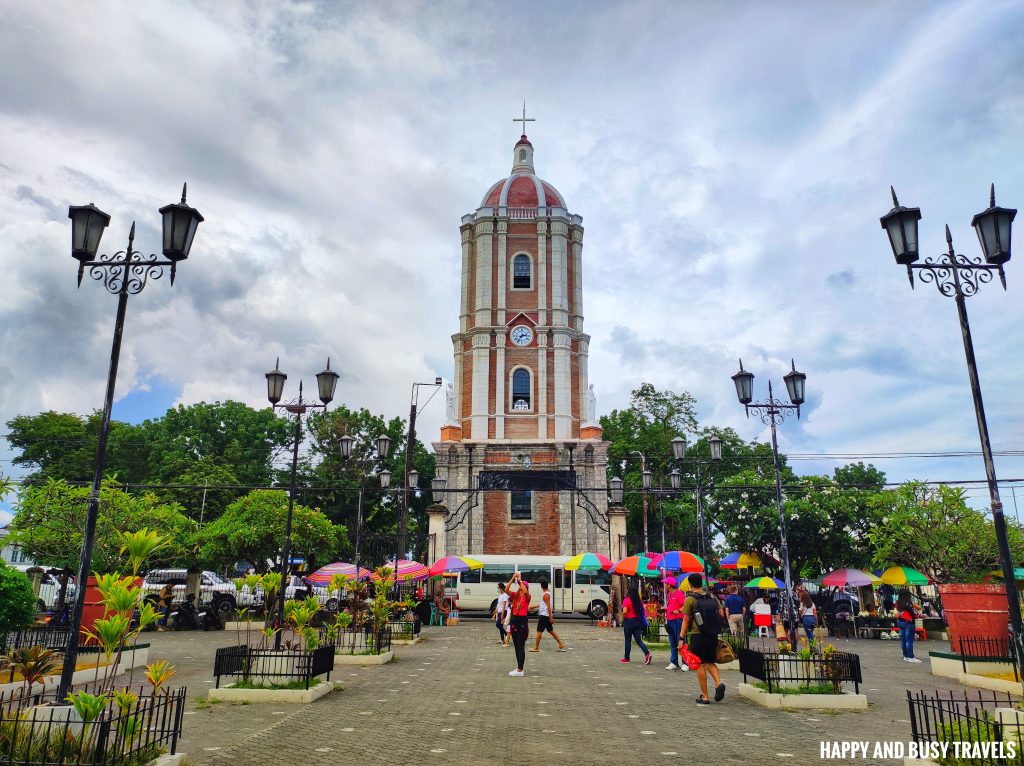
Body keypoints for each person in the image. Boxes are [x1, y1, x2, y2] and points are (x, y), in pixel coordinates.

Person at [680, 573, 725, 704]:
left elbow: (686, 619)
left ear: (690, 584)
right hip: (712, 634)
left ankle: (705, 697)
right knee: (710, 661)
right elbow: (721, 614)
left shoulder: (690, 599)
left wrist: (681, 638)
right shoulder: (712, 596)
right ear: (701, 583)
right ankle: (718, 683)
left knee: (699, 664)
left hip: (698, 635)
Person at [506, 572, 532, 676]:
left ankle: (521, 669)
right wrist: (513, 578)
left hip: (522, 621)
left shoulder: (527, 597)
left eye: (521, 586)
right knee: (516, 645)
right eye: (520, 586)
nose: (520, 587)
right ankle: (518, 668)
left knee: (521, 645)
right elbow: (506, 589)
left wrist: (520, 580)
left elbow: (525, 591)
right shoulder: (515, 595)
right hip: (514, 620)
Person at [530, 580, 567, 652]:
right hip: (546, 615)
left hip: (544, 616)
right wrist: (533, 607)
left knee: (539, 631)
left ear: (541, 586)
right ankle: (560, 643)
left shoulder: (546, 595)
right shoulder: (548, 593)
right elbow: (542, 604)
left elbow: (548, 607)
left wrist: (551, 617)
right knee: (550, 630)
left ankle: (536, 648)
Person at [620, 582, 652, 665]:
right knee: (639, 640)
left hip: (629, 622)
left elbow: (625, 611)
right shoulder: (639, 601)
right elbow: (642, 611)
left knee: (628, 640)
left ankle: (627, 658)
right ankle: (647, 653)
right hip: (638, 622)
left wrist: (623, 617)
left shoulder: (627, 600)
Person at [664, 579, 688, 671]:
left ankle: (685, 663)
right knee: (672, 642)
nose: (665, 586)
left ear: (670, 585)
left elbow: (684, 605)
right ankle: (674, 662)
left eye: (666, 584)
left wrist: (678, 611)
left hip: (677, 620)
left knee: (681, 641)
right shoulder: (669, 594)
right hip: (670, 620)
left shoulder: (679, 594)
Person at [896, 589, 922, 663]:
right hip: (908, 623)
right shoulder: (908, 603)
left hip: (900, 622)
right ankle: (911, 657)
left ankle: (905, 656)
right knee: (909, 641)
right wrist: (920, 615)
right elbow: (913, 614)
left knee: (903, 641)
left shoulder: (897, 602)